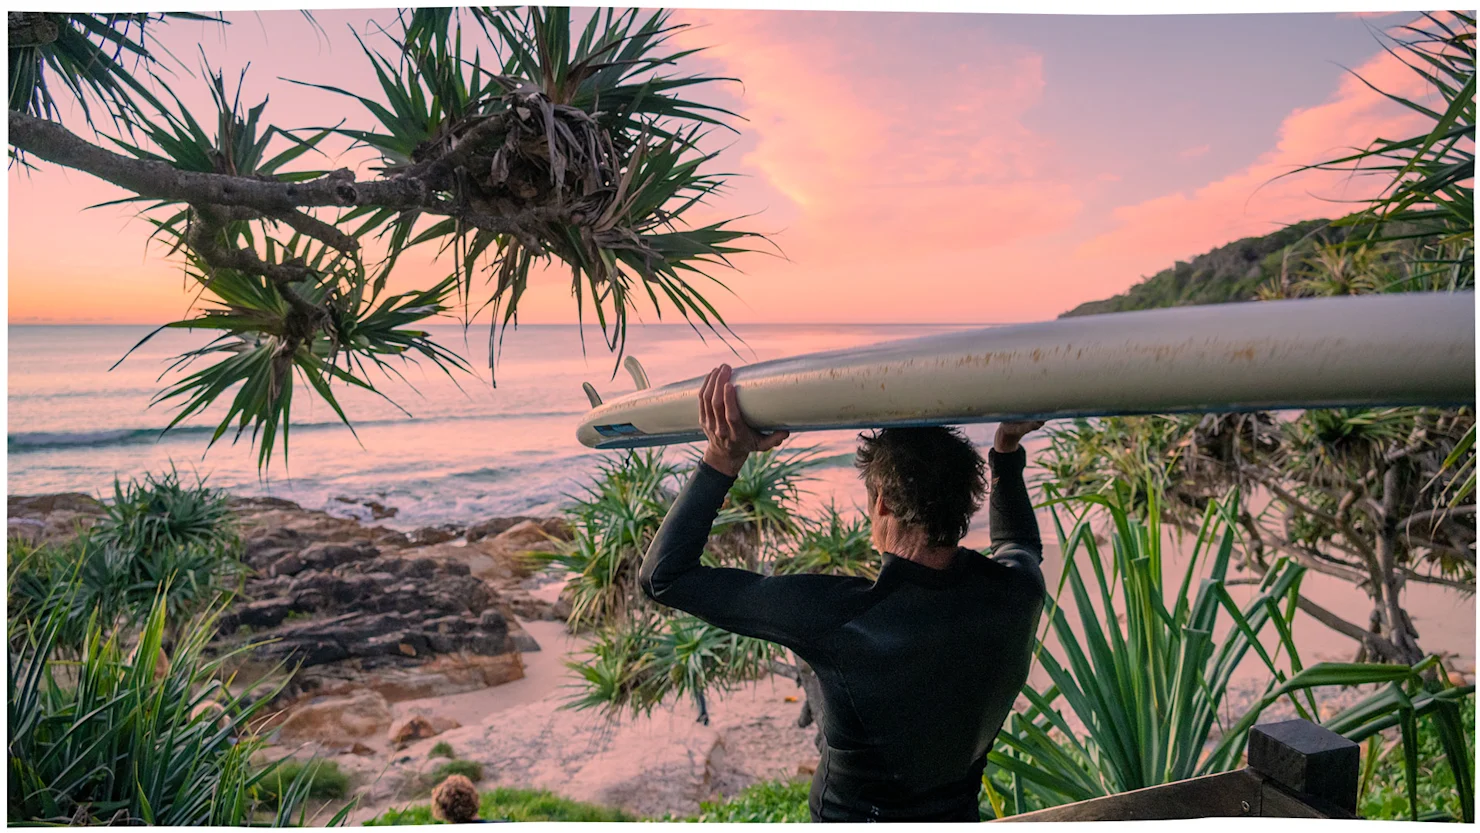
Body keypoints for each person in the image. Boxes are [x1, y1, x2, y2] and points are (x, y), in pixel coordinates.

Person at [639, 364, 1047, 823]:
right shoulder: (1017, 593)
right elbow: (1019, 544)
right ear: (965, 501)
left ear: (883, 503)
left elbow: (665, 577)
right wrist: (1006, 448)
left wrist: (723, 457)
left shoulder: (844, 618)